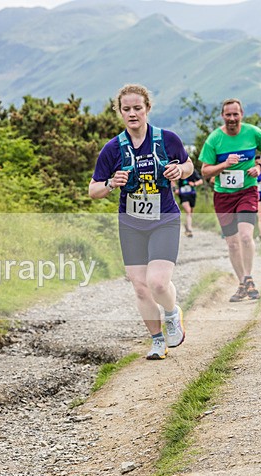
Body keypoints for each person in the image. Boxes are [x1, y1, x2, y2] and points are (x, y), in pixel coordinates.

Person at [89, 84, 193, 360]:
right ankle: (157, 340)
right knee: (139, 285)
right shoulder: (112, 149)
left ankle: (172, 314)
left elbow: (189, 165)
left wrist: (179, 169)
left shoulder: (167, 139)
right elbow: (93, 190)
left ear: (147, 108)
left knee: (158, 283)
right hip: (131, 223)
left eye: (138, 108)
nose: (132, 113)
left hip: (164, 219)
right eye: (126, 109)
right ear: (119, 112)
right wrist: (112, 183)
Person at [198, 98, 261, 302]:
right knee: (233, 244)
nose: (232, 118)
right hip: (223, 196)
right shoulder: (214, 139)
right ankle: (242, 282)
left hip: (247, 190)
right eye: (228, 115)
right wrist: (224, 164)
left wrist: (259, 167)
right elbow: (205, 172)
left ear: (241, 114)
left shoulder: (253, 133)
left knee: (245, 236)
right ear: (222, 116)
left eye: (236, 114)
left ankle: (249, 278)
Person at [175, 165, 203, 237]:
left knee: (190, 212)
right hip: (183, 194)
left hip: (192, 194)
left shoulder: (194, 171)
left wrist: (194, 184)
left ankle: (187, 226)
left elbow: (200, 181)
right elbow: (172, 180)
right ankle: (190, 230)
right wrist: (175, 189)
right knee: (188, 211)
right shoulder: (180, 170)